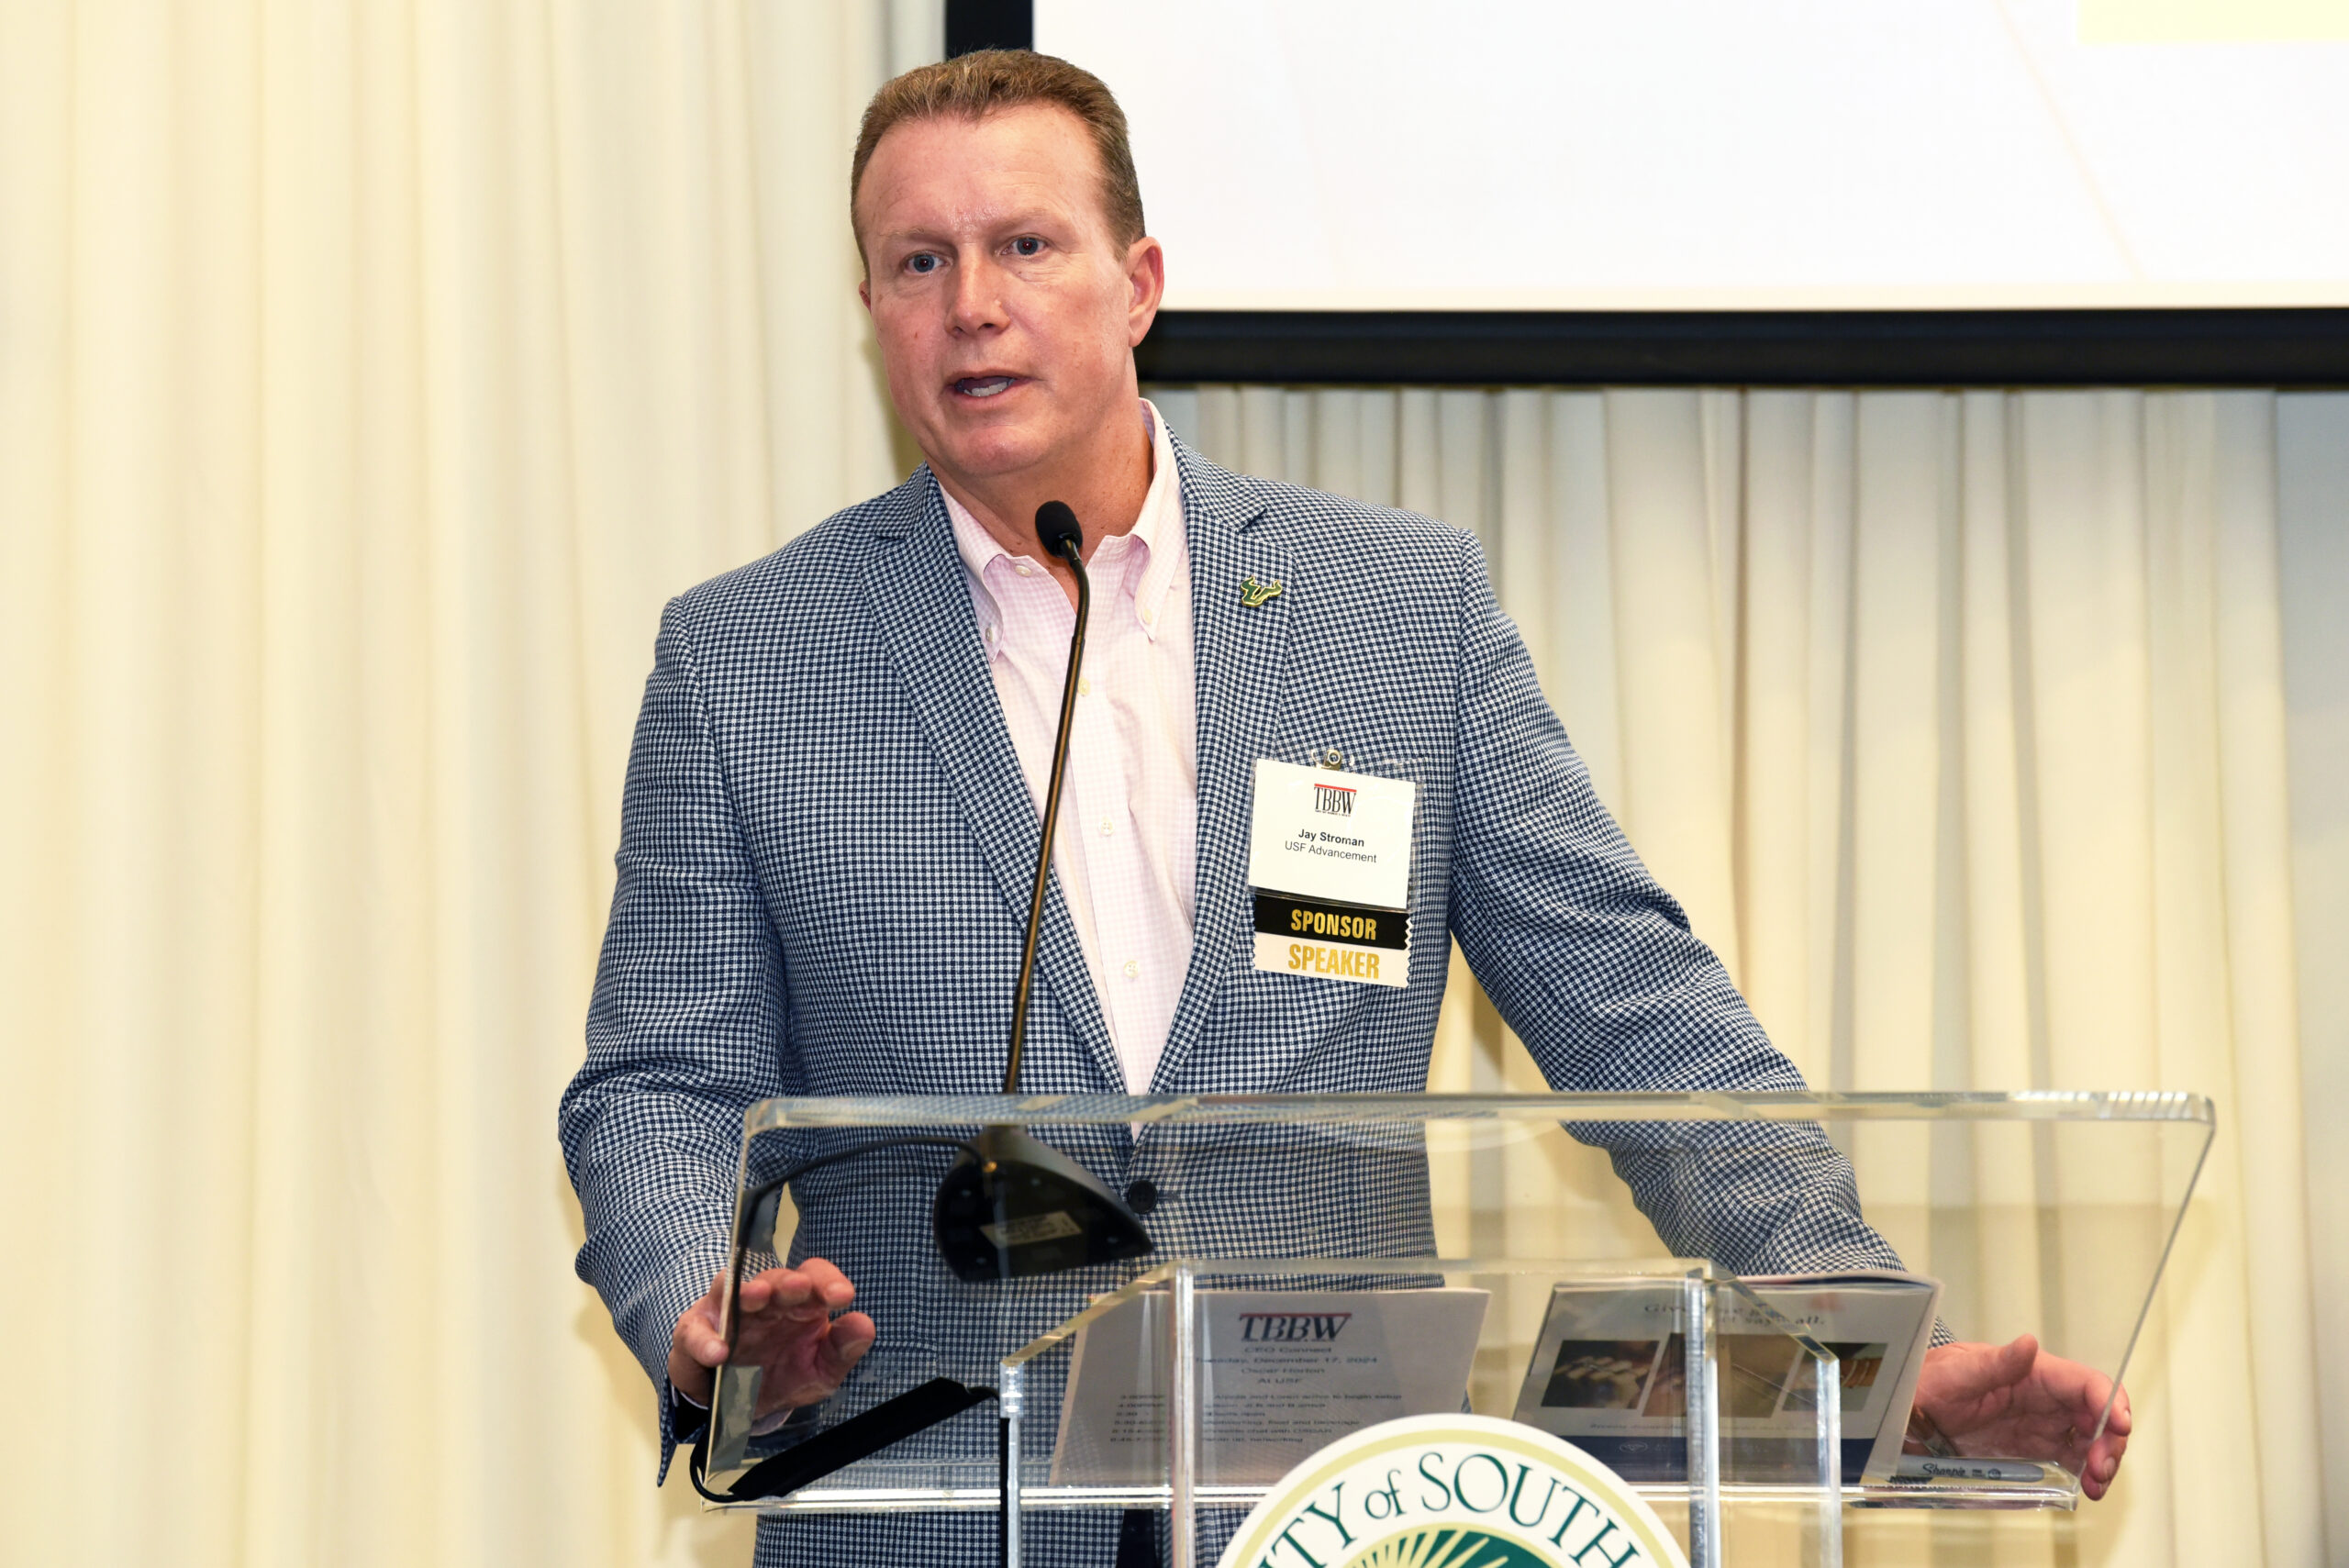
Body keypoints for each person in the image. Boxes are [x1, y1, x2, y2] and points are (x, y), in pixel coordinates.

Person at [559, 50, 2129, 1567]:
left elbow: (1634, 1011)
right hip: (940, 1513)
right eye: (919, 261)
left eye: (1026, 245)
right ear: (872, 311)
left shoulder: (1397, 611)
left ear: (1138, 282)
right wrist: (707, 1303)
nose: (972, 302)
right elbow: (658, 1084)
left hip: (1340, 1519)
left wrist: (1860, 1338)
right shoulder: (747, 659)